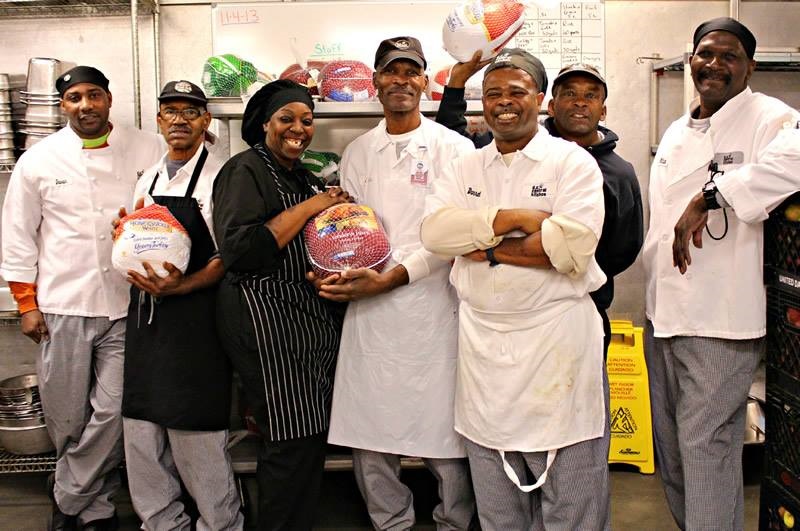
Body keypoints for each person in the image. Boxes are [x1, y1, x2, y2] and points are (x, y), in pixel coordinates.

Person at [420, 48, 609, 530]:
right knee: (498, 504)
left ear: (540, 99)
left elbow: (572, 249)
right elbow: (436, 235)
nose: (503, 102)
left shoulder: (572, 162)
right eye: (493, 93)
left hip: (556, 342)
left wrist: (482, 246)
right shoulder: (464, 167)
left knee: (572, 502)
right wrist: (517, 221)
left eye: (516, 92)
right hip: (483, 346)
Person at [308, 36, 476, 530]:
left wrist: (393, 277)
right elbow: (347, 227)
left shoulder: (454, 148)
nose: (401, 80)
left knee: (445, 432)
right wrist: (331, 268)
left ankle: (454, 522)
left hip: (435, 305)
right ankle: (390, 522)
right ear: (376, 81)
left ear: (424, 81)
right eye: (391, 71)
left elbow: (457, 235)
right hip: (370, 310)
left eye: (411, 71)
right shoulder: (358, 151)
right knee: (370, 428)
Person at [643, 17, 800, 531]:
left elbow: (795, 163)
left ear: (749, 66)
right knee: (674, 451)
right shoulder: (677, 129)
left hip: (721, 321)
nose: (714, 64)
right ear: (691, 60)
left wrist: (711, 196)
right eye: (705, 53)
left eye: (729, 55)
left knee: (704, 447)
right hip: (663, 315)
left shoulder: (770, 118)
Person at [0, 66, 164, 530]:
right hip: (62, 305)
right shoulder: (38, 159)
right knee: (68, 418)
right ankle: (96, 509)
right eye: (74, 98)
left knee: (113, 411)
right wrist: (26, 304)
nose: (85, 105)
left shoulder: (148, 146)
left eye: (94, 95)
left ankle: (68, 498)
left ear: (109, 98)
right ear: (62, 106)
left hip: (128, 303)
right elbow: (17, 235)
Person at [211, 79, 349, 530]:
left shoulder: (304, 178)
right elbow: (242, 250)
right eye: (286, 118)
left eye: (307, 120)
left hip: (305, 321)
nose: (298, 129)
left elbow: (312, 248)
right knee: (288, 442)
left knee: (307, 441)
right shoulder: (244, 169)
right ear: (264, 124)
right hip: (263, 318)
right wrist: (312, 207)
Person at [436, 53, 643, 353]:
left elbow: (623, 248)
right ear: (551, 105)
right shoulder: (497, 149)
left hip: (576, 308)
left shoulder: (616, 172)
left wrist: (489, 249)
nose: (580, 103)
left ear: (603, 109)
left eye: (590, 95)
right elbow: (452, 139)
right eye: (569, 94)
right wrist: (525, 223)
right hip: (490, 320)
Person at [116, 80, 243, 530]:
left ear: (206, 120)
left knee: (196, 433)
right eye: (170, 111)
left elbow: (226, 257)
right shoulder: (149, 177)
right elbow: (139, 238)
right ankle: (161, 522)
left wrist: (182, 286)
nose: (179, 120)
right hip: (146, 320)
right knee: (141, 429)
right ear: (159, 120)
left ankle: (220, 523)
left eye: (190, 112)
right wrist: (123, 237)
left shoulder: (221, 177)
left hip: (197, 321)